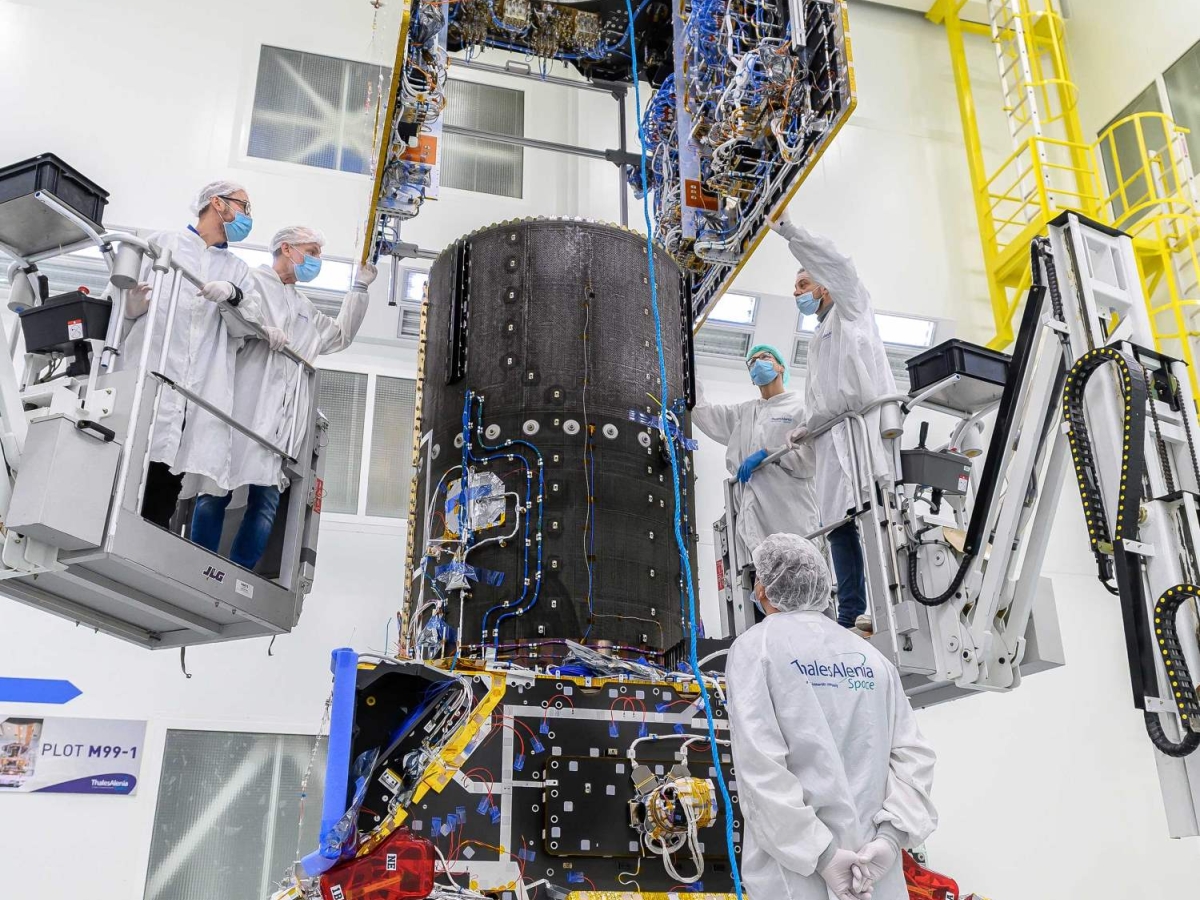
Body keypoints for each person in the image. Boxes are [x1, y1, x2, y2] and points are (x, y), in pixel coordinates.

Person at [725, 533, 937, 900]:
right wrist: (888, 842)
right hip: (876, 879)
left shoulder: (756, 649)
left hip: (797, 879)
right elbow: (914, 758)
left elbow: (761, 771)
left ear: (764, 589)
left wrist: (823, 855)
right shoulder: (872, 659)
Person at [189, 226, 375, 569]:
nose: (317, 260)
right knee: (215, 488)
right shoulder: (253, 280)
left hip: (282, 420)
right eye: (313, 251)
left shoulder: (303, 307)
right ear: (287, 249)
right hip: (243, 402)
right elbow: (231, 314)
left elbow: (340, 336)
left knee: (266, 500)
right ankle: (197, 565)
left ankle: (237, 572)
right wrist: (259, 323)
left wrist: (360, 288)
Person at [769, 211, 897, 631]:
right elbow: (826, 397)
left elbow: (839, 264)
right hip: (832, 440)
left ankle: (886, 609)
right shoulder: (819, 338)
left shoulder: (850, 309)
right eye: (794, 289)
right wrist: (807, 426)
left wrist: (789, 229)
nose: (798, 294)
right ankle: (850, 613)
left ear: (824, 284)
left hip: (859, 436)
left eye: (803, 284)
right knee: (839, 529)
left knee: (871, 521)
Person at [121, 181, 264, 529]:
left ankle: (148, 538)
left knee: (168, 470)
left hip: (194, 388)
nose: (247, 216)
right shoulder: (160, 244)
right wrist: (131, 307)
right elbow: (118, 306)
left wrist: (233, 293)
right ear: (218, 203)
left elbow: (250, 323)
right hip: (150, 372)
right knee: (129, 457)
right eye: (244, 206)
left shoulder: (237, 270)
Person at [691, 344, 818, 566]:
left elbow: (812, 460)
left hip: (790, 512)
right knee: (762, 584)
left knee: (798, 572)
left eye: (765, 357)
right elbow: (702, 413)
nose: (758, 362)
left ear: (780, 367)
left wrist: (770, 454)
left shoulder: (800, 407)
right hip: (752, 518)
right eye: (752, 361)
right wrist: (689, 367)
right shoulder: (744, 413)